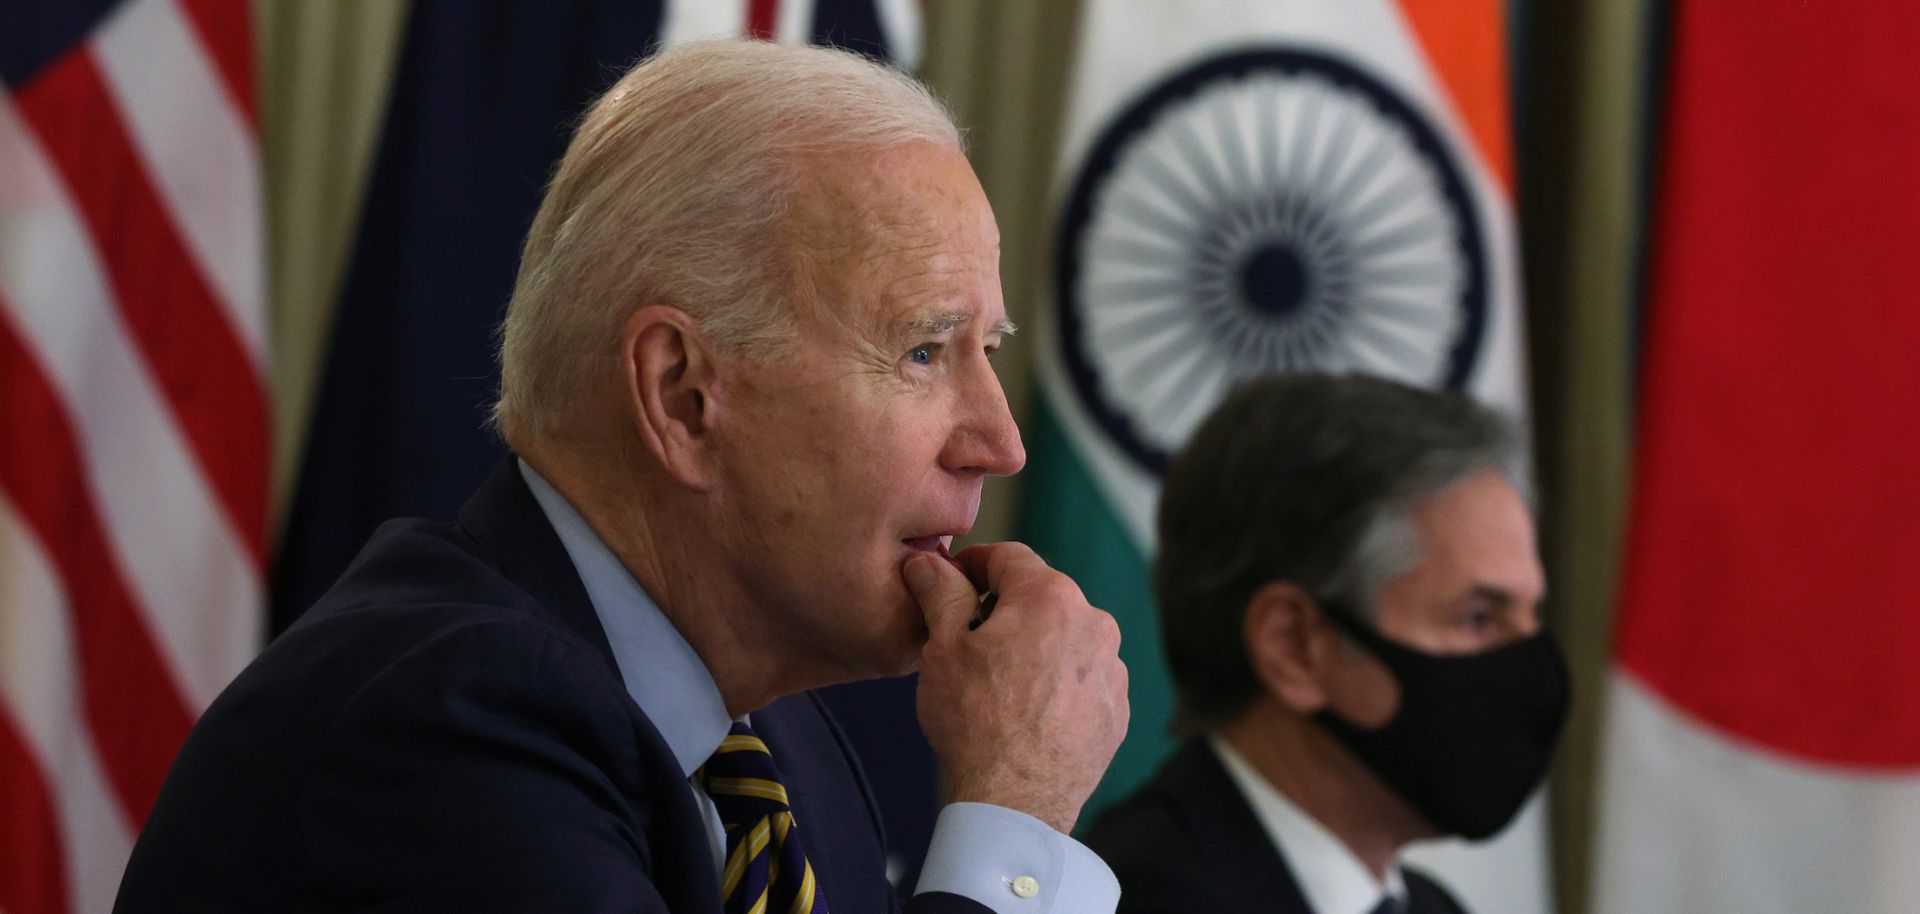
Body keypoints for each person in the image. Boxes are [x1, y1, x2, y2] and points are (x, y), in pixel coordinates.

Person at [114, 41, 1128, 913]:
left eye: (987, 349)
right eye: (923, 349)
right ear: (683, 394)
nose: (999, 442)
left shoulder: (785, 762)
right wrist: (1013, 814)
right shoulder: (443, 723)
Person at [1085, 373, 1569, 914]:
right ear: (1293, 646)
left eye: (1533, 614)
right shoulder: (1128, 901)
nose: (1533, 666)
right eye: (1479, 618)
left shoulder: (1434, 908)